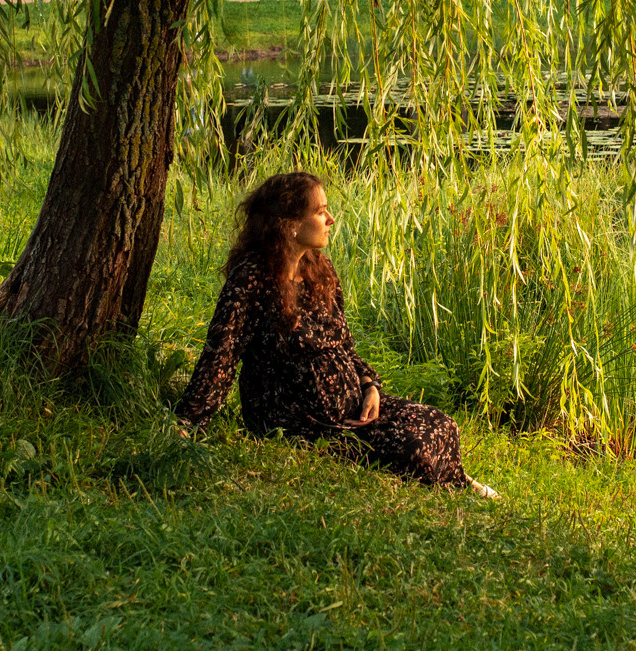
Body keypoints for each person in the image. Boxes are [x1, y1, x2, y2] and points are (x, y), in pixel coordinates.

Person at [173, 171, 496, 496]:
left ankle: (458, 480)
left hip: (351, 404)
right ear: (290, 223)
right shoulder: (253, 278)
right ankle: (457, 484)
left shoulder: (320, 269)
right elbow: (221, 356)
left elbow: (343, 345)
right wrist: (188, 423)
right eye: (320, 211)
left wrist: (370, 385)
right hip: (298, 418)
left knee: (441, 424)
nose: (330, 219)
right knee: (412, 447)